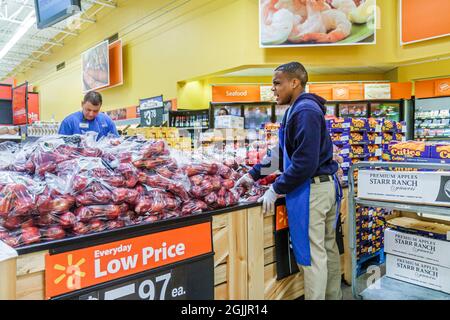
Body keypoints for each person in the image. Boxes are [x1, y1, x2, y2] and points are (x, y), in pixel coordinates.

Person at [235, 62, 343, 300]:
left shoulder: (305, 111)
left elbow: (305, 162)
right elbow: (281, 153)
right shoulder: (299, 110)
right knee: (327, 248)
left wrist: (276, 188)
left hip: (312, 192)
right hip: (323, 187)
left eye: (277, 83)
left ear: (295, 82)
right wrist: (253, 175)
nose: (273, 89)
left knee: (312, 257)